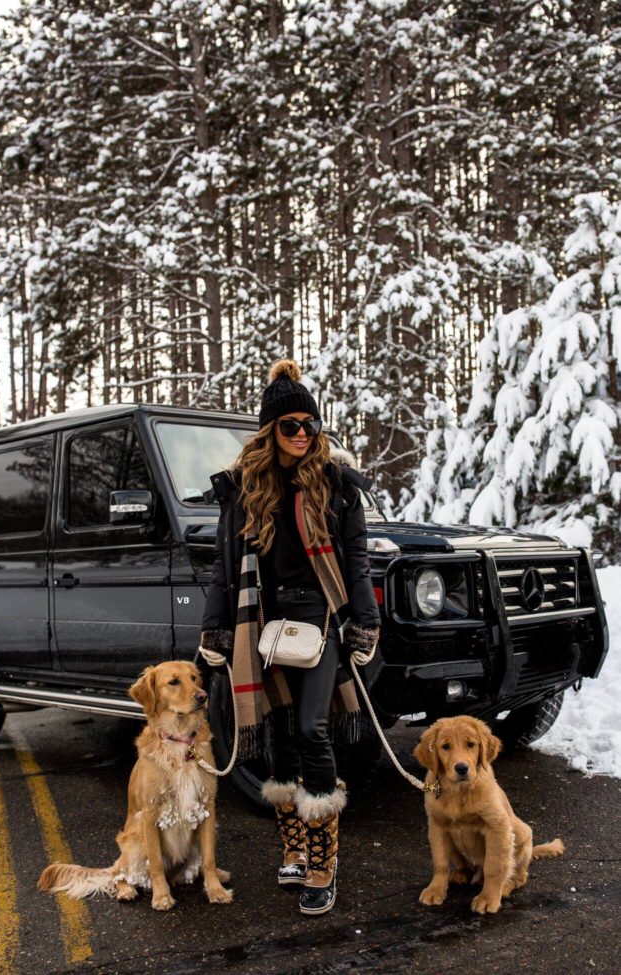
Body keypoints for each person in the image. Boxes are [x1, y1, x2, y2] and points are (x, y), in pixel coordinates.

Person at [198, 359, 380, 916]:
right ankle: (294, 848)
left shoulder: (336, 485)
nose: (303, 434)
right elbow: (225, 568)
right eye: (290, 425)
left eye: (310, 423)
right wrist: (215, 627)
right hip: (263, 625)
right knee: (276, 733)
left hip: (321, 622)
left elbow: (356, 561)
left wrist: (365, 620)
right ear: (269, 430)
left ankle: (324, 860)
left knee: (312, 729)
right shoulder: (245, 489)